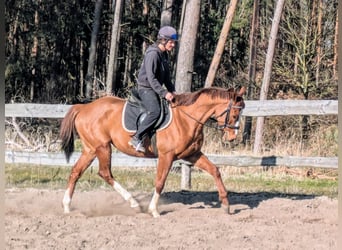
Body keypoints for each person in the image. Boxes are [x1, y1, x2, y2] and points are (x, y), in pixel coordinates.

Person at [129, 26, 178, 153]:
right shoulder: (153, 54)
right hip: (146, 88)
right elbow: (151, 78)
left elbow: (166, 77)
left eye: (174, 42)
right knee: (155, 111)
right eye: (171, 42)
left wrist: (172, 91)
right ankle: (136, 137)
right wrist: (163, 93)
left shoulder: (164, 55)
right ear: (163, 40)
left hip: (154, 88)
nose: (173, 45)